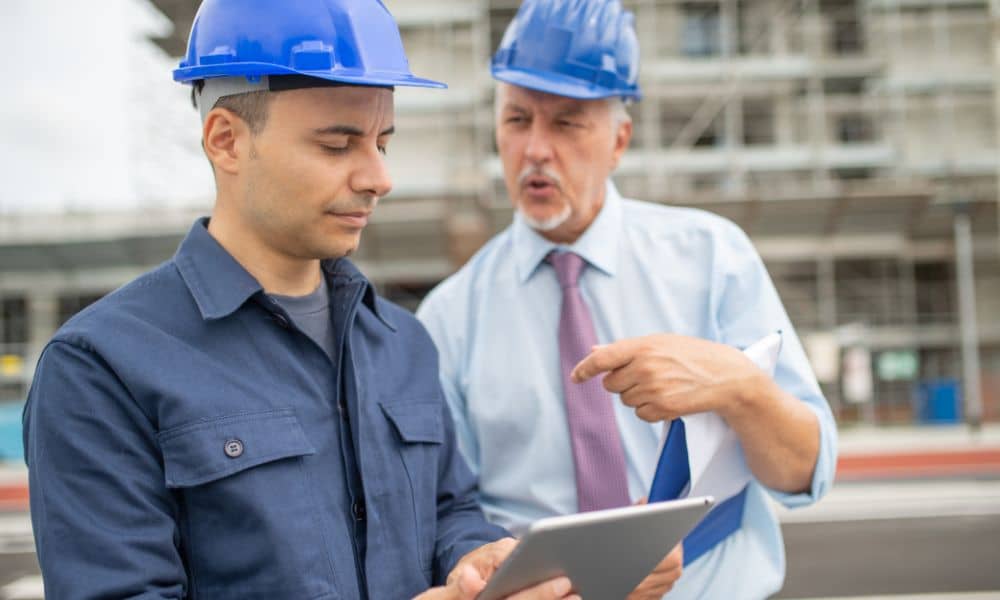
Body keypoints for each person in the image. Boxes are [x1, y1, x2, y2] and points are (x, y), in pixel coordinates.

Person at [22, 1, 577, 599]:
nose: (378, 177)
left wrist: (475, 558)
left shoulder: (401, 343)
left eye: (381, 143)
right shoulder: (102, 369)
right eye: (338, 146)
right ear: (227, 140)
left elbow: (449, 510)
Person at [416, 1, 838, 598]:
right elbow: (447, 510)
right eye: (517, 120)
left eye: (566, 123)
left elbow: (806, 473)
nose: (535, 148)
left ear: (619, 140)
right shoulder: (448, 318)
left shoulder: (714, 258)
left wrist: (738, 385)